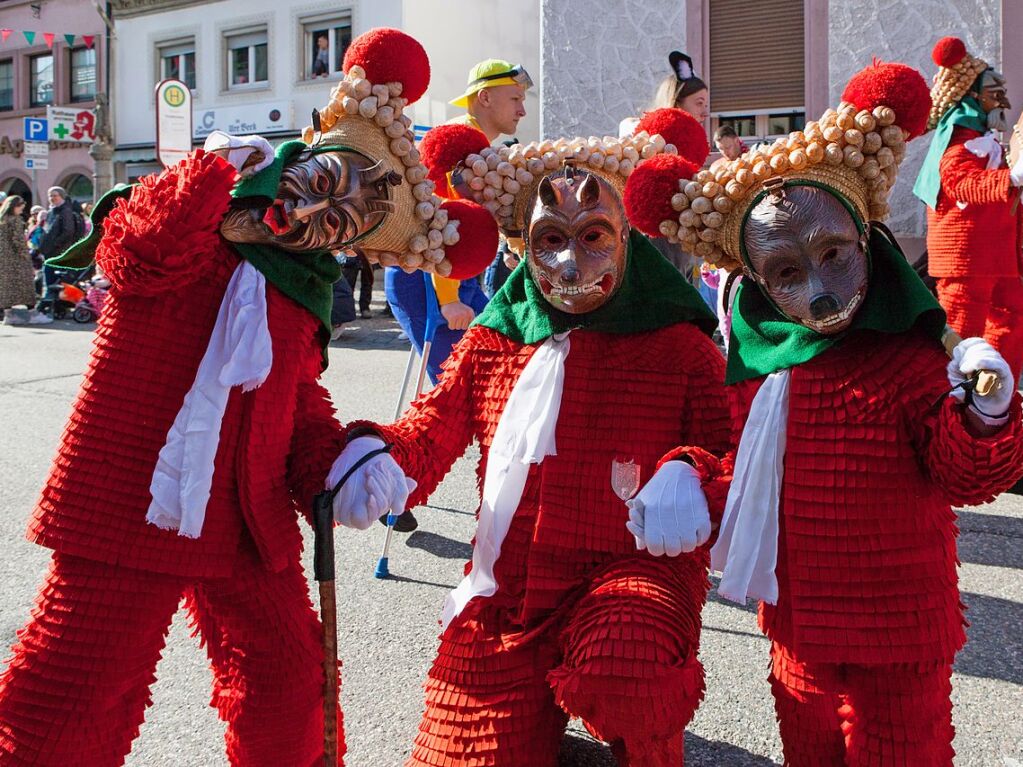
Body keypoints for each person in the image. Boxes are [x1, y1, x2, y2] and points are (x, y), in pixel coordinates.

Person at [0, 28, 497, 767]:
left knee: (292, 683)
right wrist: (212, 173)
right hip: (131, 503)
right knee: (73, 692)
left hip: (243, 516)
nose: (318, 213)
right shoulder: (198, 222)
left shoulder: (303, 293)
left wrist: (338, 461)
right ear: (305, 155)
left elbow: (293, 406)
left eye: (344, 221)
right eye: (324, 181)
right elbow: (140, 253)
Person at [627, 59, 1023, 766]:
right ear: (754, 280)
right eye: (784, 271)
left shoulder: (907, 357)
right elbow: (740, 477)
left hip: (904, 630)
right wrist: (683, 476)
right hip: (799, 627)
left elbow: (962, 475)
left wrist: (985, 415)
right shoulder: (762, 370)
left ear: (864, 242)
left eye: (833, 252)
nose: (816, 290)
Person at [333, 108, 730, 767]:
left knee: (625, 670)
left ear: (626, 238)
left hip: (626, 571)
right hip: (507, 587)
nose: (570, 262)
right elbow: (434, 422)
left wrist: (694, 473)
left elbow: (729, 452)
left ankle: (644, 738)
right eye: (550, 239)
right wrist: (385, 458)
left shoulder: (682, 350)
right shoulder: (494, 340)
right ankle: (537, 710)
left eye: (594, 234)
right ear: (522, 246)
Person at [385, 59, 532, 385]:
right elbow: (442, 223)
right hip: (429, 278)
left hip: (458, 279)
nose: (522, 110)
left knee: (510, 366)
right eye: (515, 98)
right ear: (485, 98)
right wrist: (449, 301)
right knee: (466, 389)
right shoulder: (457, 141)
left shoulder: (479, 143)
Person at [913, 36, 1023, 380]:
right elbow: (961, 183)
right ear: (971, 97)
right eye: (994, 92)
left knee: (1012, 317)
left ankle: (999, 391)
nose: (1002, 99)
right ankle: (956, 403)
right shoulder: (958, 143)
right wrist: (1013, 179)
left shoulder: (986, 142)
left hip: (997, 255)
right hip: (965, 259)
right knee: (963, 335)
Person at [619, 50, 709, 137]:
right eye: (699, 103)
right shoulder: (646, 136)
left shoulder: (694, 140)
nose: (705, 113)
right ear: (677, 102)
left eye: (705, 105)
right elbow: (627, 126)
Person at [0, 195, 47, 324]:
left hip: (3, 260)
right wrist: (27, 257)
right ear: (15, 206)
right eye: (21, 206)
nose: (22, 209)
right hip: (17, 259)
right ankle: (33, 314)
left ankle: (8, 315)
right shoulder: (15, 220)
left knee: (6, 287)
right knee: (27, 285)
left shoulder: (2, 220)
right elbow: (19, 242)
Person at [339, 251, 374, 318]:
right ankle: (349, 309)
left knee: (368, 282)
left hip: (368, 254)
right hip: (350, 254)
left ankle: (365, 308)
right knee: (348, 285)